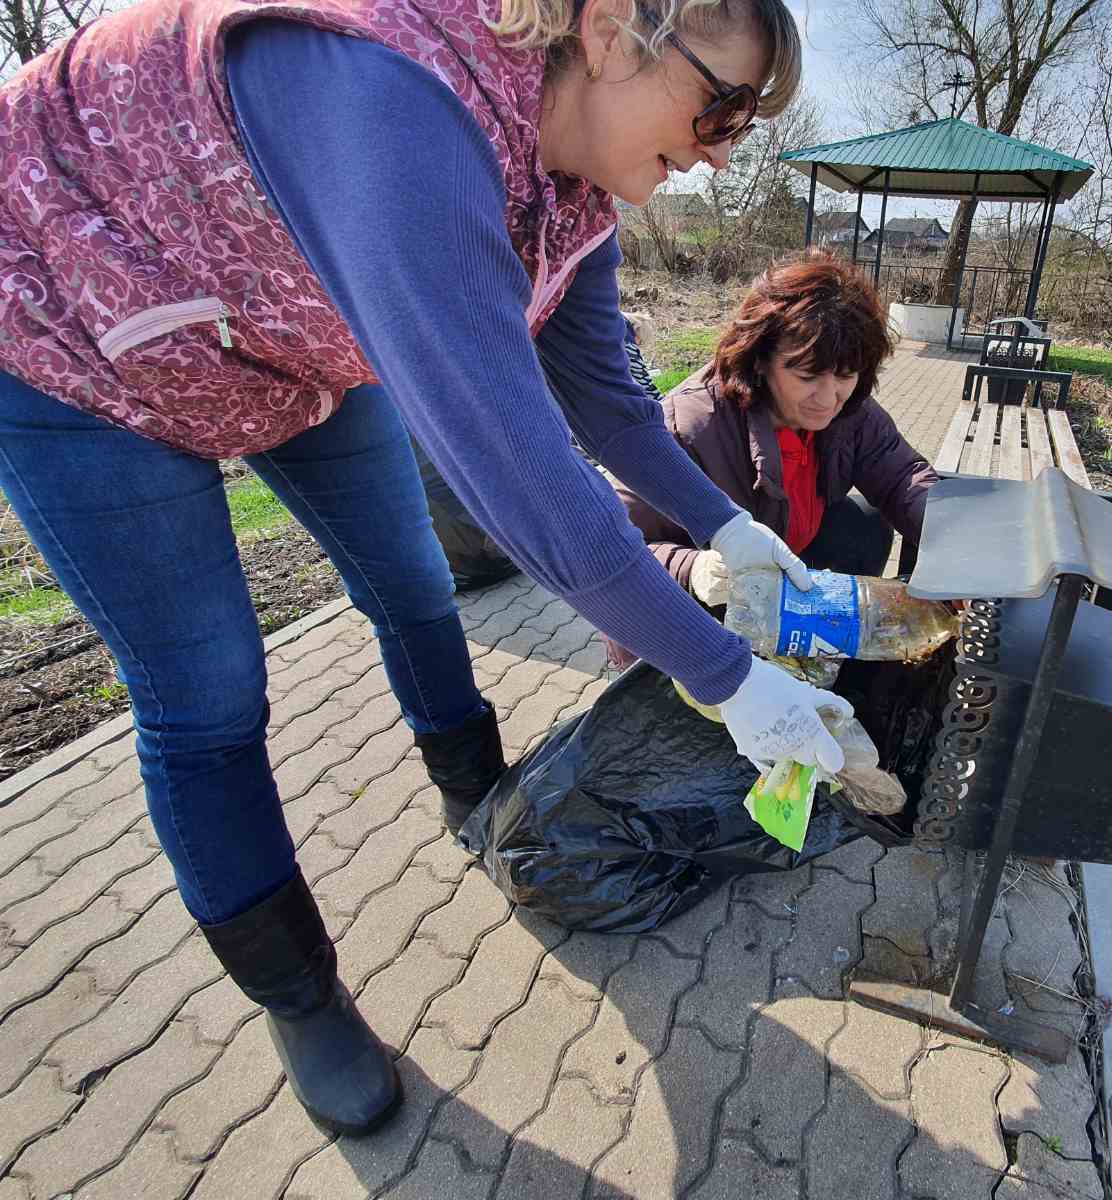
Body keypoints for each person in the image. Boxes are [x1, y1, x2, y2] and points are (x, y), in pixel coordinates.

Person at [0, 0, 848, 1135]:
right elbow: (533, 489)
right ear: (608, 31)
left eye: (744, 125)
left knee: (409, 579)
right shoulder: (395, 108)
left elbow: (609, 404)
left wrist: (738, 535)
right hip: (73, 322)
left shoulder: (577, 184)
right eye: (720, 104)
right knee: (205, 695)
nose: (718, 147)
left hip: (285, 328)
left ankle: (475, 798)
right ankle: (300, 997)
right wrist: (729, 680)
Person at [608, 250, 939, 667]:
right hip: (691, 611)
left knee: (864, 524)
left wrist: (949, 535)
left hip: (778, 565)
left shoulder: (850, 408)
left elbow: (902, 475)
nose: (828, 397)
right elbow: (611, 543)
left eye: (846, 375)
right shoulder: (688, 427)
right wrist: (692, 569)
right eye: (806, 376)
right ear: (761, 359)